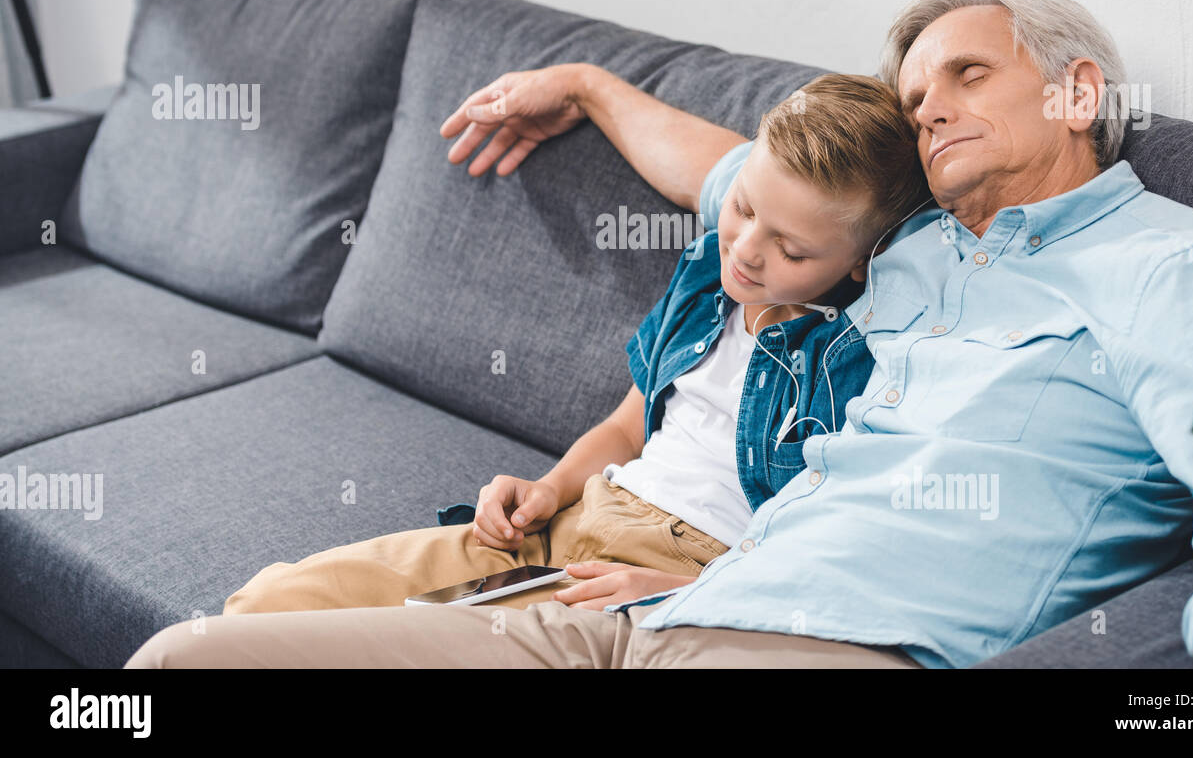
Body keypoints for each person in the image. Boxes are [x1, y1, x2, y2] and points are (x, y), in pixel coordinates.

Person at [127, 0, 1193, 669]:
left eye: (967, 75)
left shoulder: (1167, 264)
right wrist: (585, 85)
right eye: (914, 97)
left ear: (1077, 94)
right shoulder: (911, 244)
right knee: (184, 664)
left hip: (808, 646)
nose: (930, 105)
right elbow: (737, 179)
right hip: (649, 605)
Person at [218, 73, 932, 617]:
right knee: (271, 603)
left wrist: (690, 589)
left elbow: (831, 539)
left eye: (791, 249)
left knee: (349, 651)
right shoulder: (705, 282)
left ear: (863, 260)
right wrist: (546, 488)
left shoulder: (854, 358)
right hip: (575, 519)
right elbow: (627, 425)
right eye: (742, 208)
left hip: (674, 566)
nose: (744, 251)